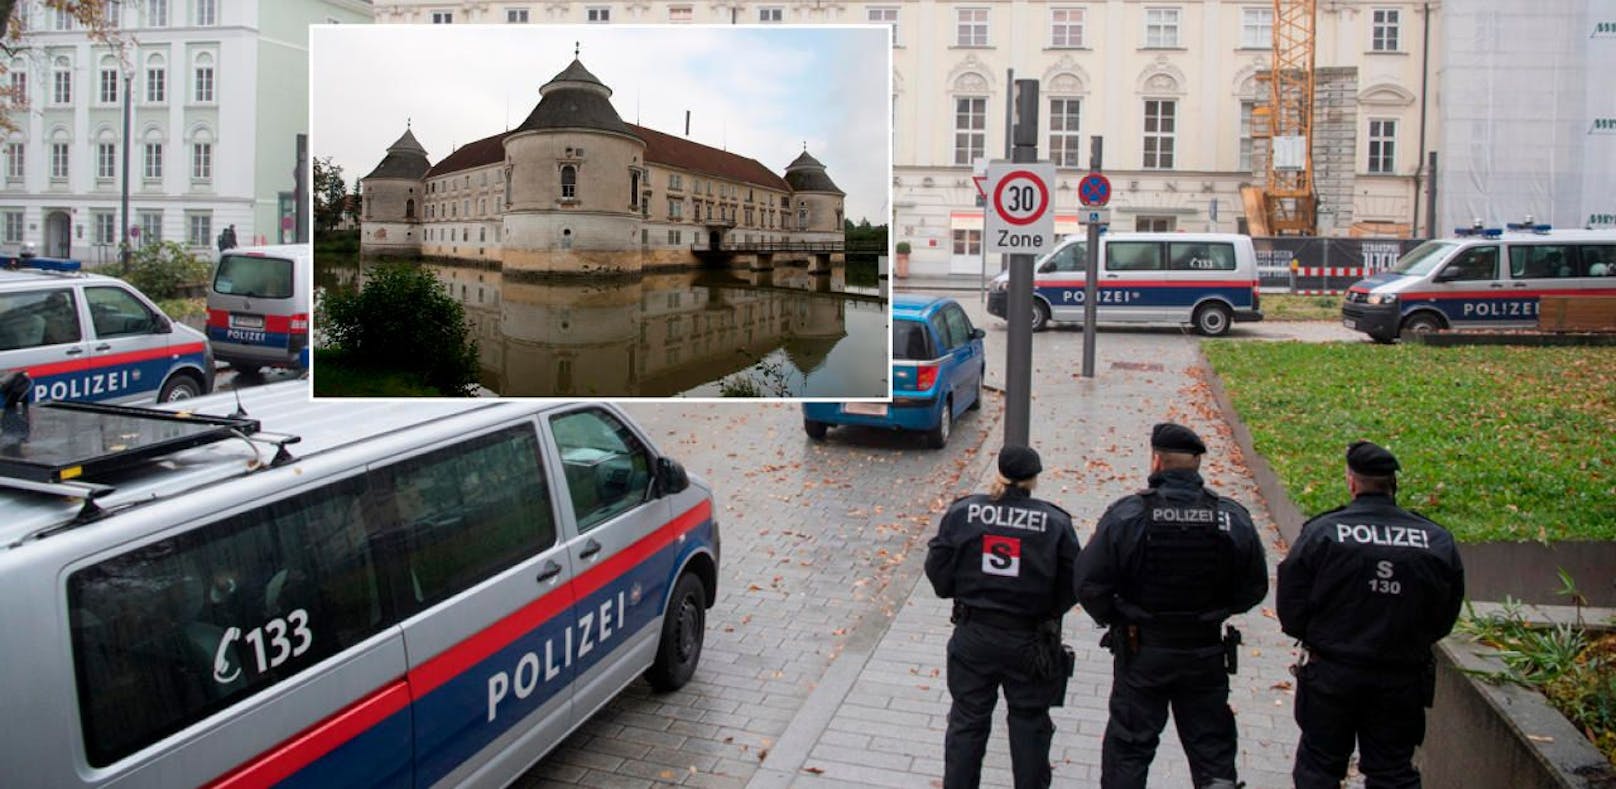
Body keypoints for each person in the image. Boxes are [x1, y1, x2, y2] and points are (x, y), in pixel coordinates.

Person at [1075, 422, 1268, 789]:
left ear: (1157, 462)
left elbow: (1089, 583)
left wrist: (1118, 616)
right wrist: (1218, 610)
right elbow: (1254, 585)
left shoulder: (1129, 515)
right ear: (1196, 465)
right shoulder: (1230, 517)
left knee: (1129, 751)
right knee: (1212, 752)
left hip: (1143, 650)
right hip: (1204, 650)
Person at [1277, 441, 1465, 789]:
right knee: (1392, 772)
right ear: (1394, 484)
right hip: (1400, 677)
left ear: (1352, 482)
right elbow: (1445, 613)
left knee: (1318, 767)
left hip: (1332, 674)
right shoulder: (1435, 540)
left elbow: (1290, 607)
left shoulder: (1323, 532)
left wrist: (1322, 638)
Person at [925, 445, 1080, 789]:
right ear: (1034, 479)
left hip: (974, 633)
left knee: (967, 721)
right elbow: (1073, 583)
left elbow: (938, 570)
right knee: (1029, 724)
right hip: (1029, 641)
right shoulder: (1055, 523)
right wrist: (1048, 612)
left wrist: (964, 593)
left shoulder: (964, 512)